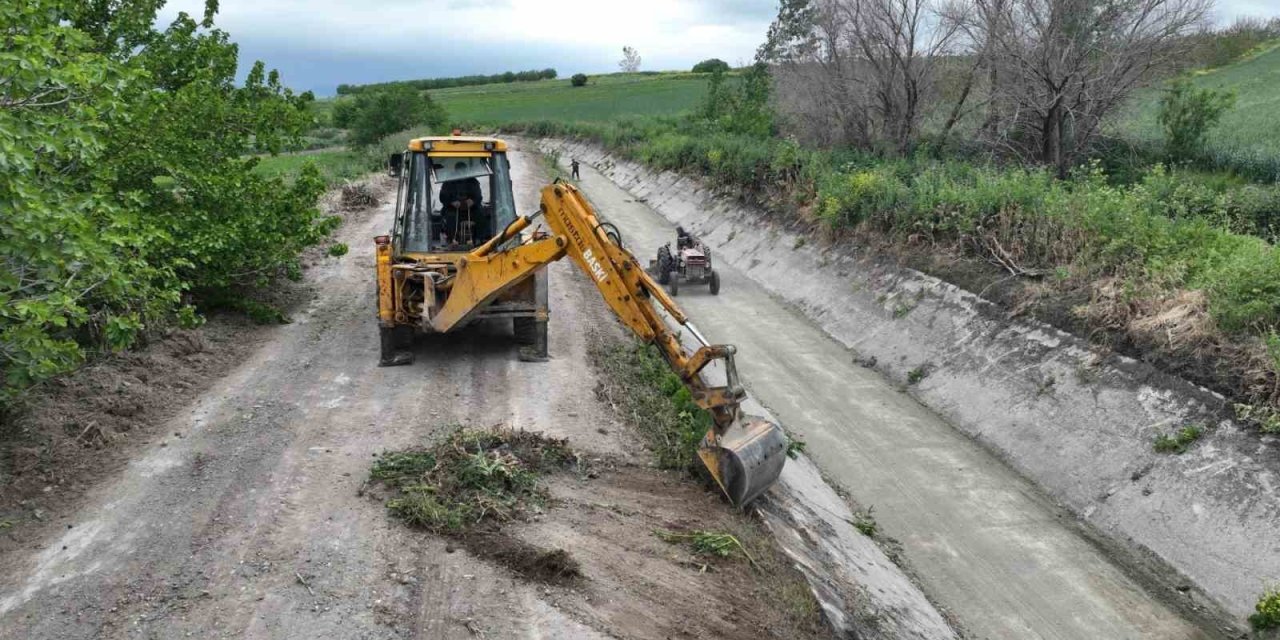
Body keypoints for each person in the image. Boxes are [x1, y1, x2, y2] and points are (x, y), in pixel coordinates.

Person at [439, 161, 483, 244]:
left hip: (471, 209)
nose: (462, 173)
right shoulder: (448, 182)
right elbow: (442, 197)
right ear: (456, 171)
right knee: (449, 216)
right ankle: (452, 240)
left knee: (480, 213)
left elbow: (479, 196)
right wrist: (451, 202)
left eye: (463, 171)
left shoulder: (473, 181)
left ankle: (481, 239)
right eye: (459, 171)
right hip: (452, 209)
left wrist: (473, 201)